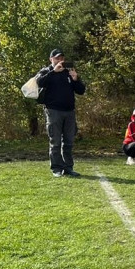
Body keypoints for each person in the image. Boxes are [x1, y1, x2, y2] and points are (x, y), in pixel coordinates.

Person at [35, 48, 86, 177]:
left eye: (62, 58)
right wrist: (53, 71)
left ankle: (68, 167)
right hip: (53, 111)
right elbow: (39, 82)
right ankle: (56, 168)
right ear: (51, 59)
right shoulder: (46, 71)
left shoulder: (68, 72)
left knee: (68, 142)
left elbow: (81, 91)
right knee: (55, 141)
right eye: (57, 58)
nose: (60, 60)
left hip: (69, 112)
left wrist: (75, 79)